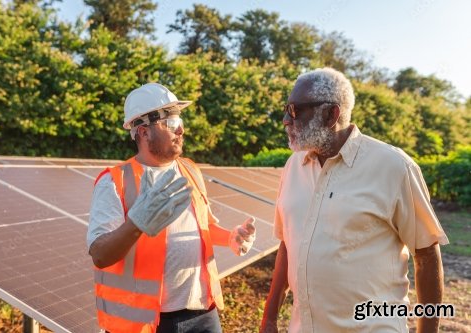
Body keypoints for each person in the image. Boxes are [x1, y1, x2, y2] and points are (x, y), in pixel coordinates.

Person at [260, 68, 448, 333]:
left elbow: (427, 253)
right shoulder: (293, 167)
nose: (285, 120)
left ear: (330, 114)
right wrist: (269, 318)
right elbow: (288, 245)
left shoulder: (394, 167)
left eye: (294, 110)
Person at [87, 83, 256, 333]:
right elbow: (100, 254)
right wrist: (136, 224)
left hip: (202, 313)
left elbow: (204, 227)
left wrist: (230, 237)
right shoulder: (114, 182)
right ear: (143, 132)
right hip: (145, 323)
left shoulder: (189, 169)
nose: (181, 129)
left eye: (180, 120)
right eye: (171, 121)